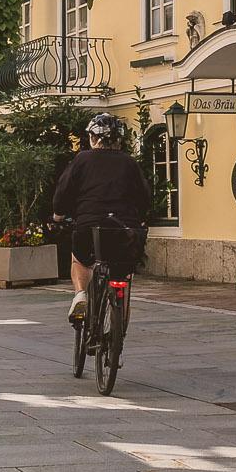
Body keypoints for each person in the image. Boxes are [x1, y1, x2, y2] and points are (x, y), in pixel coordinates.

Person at [49, 113, 150, 323]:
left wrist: (58, 216)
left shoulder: (82, 159)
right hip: (124, 228)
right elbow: (144, 196)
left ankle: (80, 295)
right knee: (123, 271)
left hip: (89, 225)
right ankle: (119, 325)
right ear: (119, 140)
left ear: (93, 138)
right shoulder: (130, 163)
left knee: (80, 260)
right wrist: (140, 218)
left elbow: (63, 191)